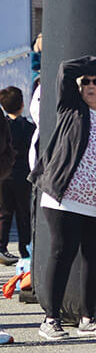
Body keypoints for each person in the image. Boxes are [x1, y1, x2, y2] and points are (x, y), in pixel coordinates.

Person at [32, 56, 96, 341]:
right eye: (85, 82)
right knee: (61, 254)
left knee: (94, 258)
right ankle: (50, 319)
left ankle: (88, 318)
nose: (89, 85)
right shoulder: (70, 109)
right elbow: (65, 68)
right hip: (62, 198)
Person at [0, 87, 33, 263]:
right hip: (23, 176)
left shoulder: (3, 125)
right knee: (23, 214)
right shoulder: (28, 127)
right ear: (22, 104)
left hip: (4, 176)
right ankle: (24, 248)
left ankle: (2, 246)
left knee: (4, 213)